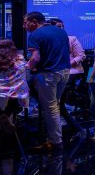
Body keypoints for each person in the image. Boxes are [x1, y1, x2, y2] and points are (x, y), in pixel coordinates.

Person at [25, 12, 72, 152]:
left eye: (25, 22)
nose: (24, 26)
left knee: (51, 108)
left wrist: (26, 67)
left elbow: (35, 58)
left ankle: (56, 142)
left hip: (48, 74)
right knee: (55, 106)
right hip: (65, 72)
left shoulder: (34, 35)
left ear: (34, 21)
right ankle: (53, 137)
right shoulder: (60, 31)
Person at [50, 18, 88, 134]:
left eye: (62, 26)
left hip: (72, 71)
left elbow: (81, 56)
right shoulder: (49, 40)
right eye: (58, 27)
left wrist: (68, 64)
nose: (61, 28)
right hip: (54, 72)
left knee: (58, 98)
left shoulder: (71, 39)